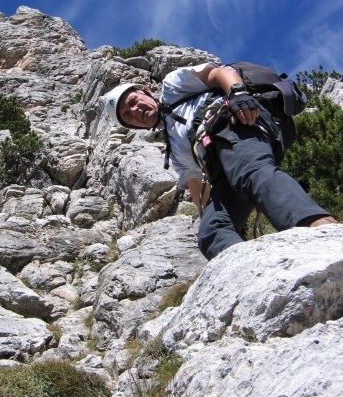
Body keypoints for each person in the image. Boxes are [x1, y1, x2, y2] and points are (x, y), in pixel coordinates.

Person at [104, 62, 338, 260]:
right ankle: (248, 269)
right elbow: (199, 192)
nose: (135, 110)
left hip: (236, 124)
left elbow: (218, 73)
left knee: (251, 173)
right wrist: (223, 216)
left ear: (145, 91)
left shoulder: (173, 85)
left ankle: (322, 230)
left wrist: (238, 93)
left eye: (134, 101)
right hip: (223, 168)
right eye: (128, 115)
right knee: (211, 230)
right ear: (133, 126)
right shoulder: (174, 150)